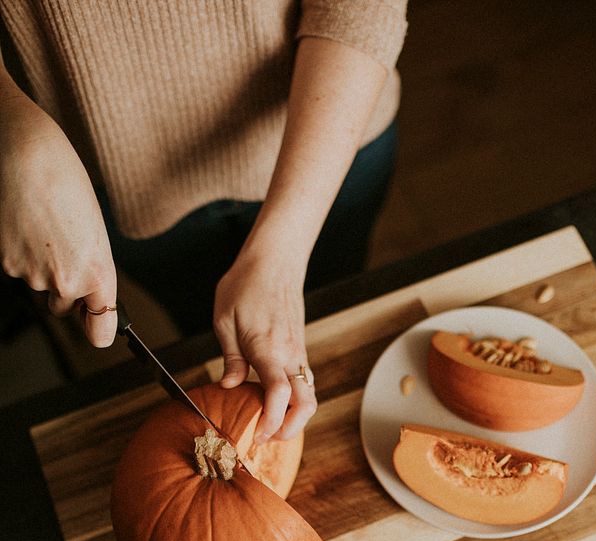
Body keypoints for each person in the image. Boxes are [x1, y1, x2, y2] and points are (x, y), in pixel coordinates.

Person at [0, 2, 408, 442]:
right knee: (212, 338)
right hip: (108, 183)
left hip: (330, 135)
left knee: (333, 321)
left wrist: (284, 255)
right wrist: (11, 131)